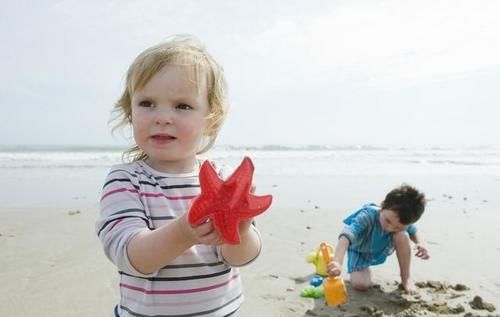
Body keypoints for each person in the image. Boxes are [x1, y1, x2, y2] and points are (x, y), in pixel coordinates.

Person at [96, 35, 262, 317]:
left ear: (211, 118)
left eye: (182, 106)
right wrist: (184, 231)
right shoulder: (126, 181)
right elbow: (131, 256)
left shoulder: (222, 179)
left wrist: (241, 231)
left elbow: (240, 258)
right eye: (147, 103)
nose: (162, 116)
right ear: (130, 112)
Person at [327, 184, 429, 293]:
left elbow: (413, 231)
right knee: (360, 285)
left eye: (398, 226)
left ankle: (406, 278)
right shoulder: (367, 216)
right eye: (388, 221)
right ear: (382, 206)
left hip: (382, 247)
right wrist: (337, 262)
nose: (390, 228)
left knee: (402, 235)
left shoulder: (401, 221)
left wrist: (420, 243)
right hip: (359, 251)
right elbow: (346, 235)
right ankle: (362, 271)